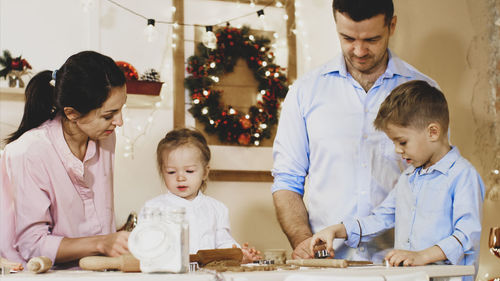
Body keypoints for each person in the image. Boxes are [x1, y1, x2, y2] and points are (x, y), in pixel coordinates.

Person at [271, 0, 439, 261]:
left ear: (391, 26)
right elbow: (287, 181)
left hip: (402, 266)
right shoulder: (304, 92)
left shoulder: (426, 93)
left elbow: (435, 183)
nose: (359, 50)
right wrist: (305, 243)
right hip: (327, 267)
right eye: (347, 38)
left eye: (371, 39)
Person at [310, 80, 484, 280]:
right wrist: (337, 230)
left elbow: (467, 235)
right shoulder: (407, 178)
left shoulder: (463, 175)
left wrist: (422, 256)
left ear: (433, 132)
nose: (397, 150)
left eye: (402, 142)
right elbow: (381, 218)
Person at [0, 51, 129, 268]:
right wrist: (101, 243)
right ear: (71, 114)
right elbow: (32, 245)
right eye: (109, 115)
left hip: (99, 271)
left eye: (121, 109)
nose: (119, 121)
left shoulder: (105, 137)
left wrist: (112, 245)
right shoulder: (29, 152)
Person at [139, 128, 261, 263]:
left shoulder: (217, 208)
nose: (180, 177)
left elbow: (224, 243)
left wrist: (239, 254)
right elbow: (144, 246)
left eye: (189, 171)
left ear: (204, 172)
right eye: (171, 172)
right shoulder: (153, 208)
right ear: (162, 172)